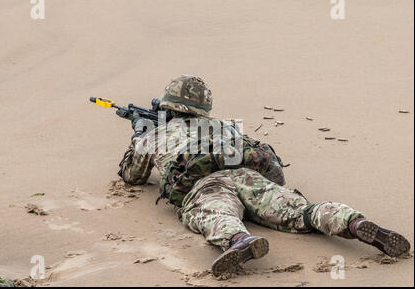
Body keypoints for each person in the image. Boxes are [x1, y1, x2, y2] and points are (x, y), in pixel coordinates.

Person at [118, 75, 411, 276]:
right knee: (301, 212)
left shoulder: (156, 134)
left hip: (205, 185)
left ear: (168, 105)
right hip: (248, 176)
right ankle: (355, 222)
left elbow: (134, 176)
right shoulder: (223, 126)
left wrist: (139, 134)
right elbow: (272, 171)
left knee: (217, 215)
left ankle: (239, 241)